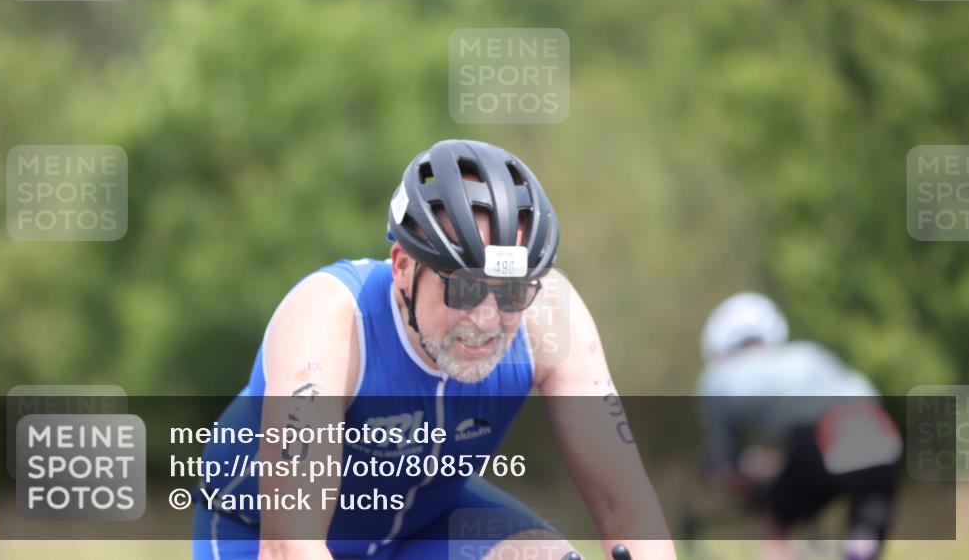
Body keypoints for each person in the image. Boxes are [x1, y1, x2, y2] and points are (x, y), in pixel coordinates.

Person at [193, 139, 677, 560]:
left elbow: (626, 504)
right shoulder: (330, 320)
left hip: (428, 524)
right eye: (464, 289)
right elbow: (289, 547)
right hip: (256, 532)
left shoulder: (550, 316)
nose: (486, 319)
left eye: (511, 292)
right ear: (403, 266)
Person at [696, 292, 902, 560]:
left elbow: (729, 463)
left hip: (820, 438)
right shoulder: (808, 353)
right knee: (865, 530)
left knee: (778, 516)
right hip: (879, 433)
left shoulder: (716, 379)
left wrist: (748, 478)